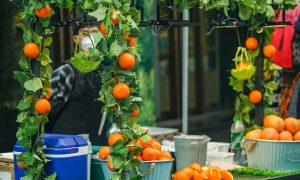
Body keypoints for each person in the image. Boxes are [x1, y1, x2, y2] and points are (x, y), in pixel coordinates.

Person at [46, 22, 109, 145]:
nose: (90, 38)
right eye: (84, 34)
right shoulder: (66, 71)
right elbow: (49, 110)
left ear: (102, 37)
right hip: (68, 146)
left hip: (98, 146)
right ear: (76, 39)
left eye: (95, 33)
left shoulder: (106, 73)